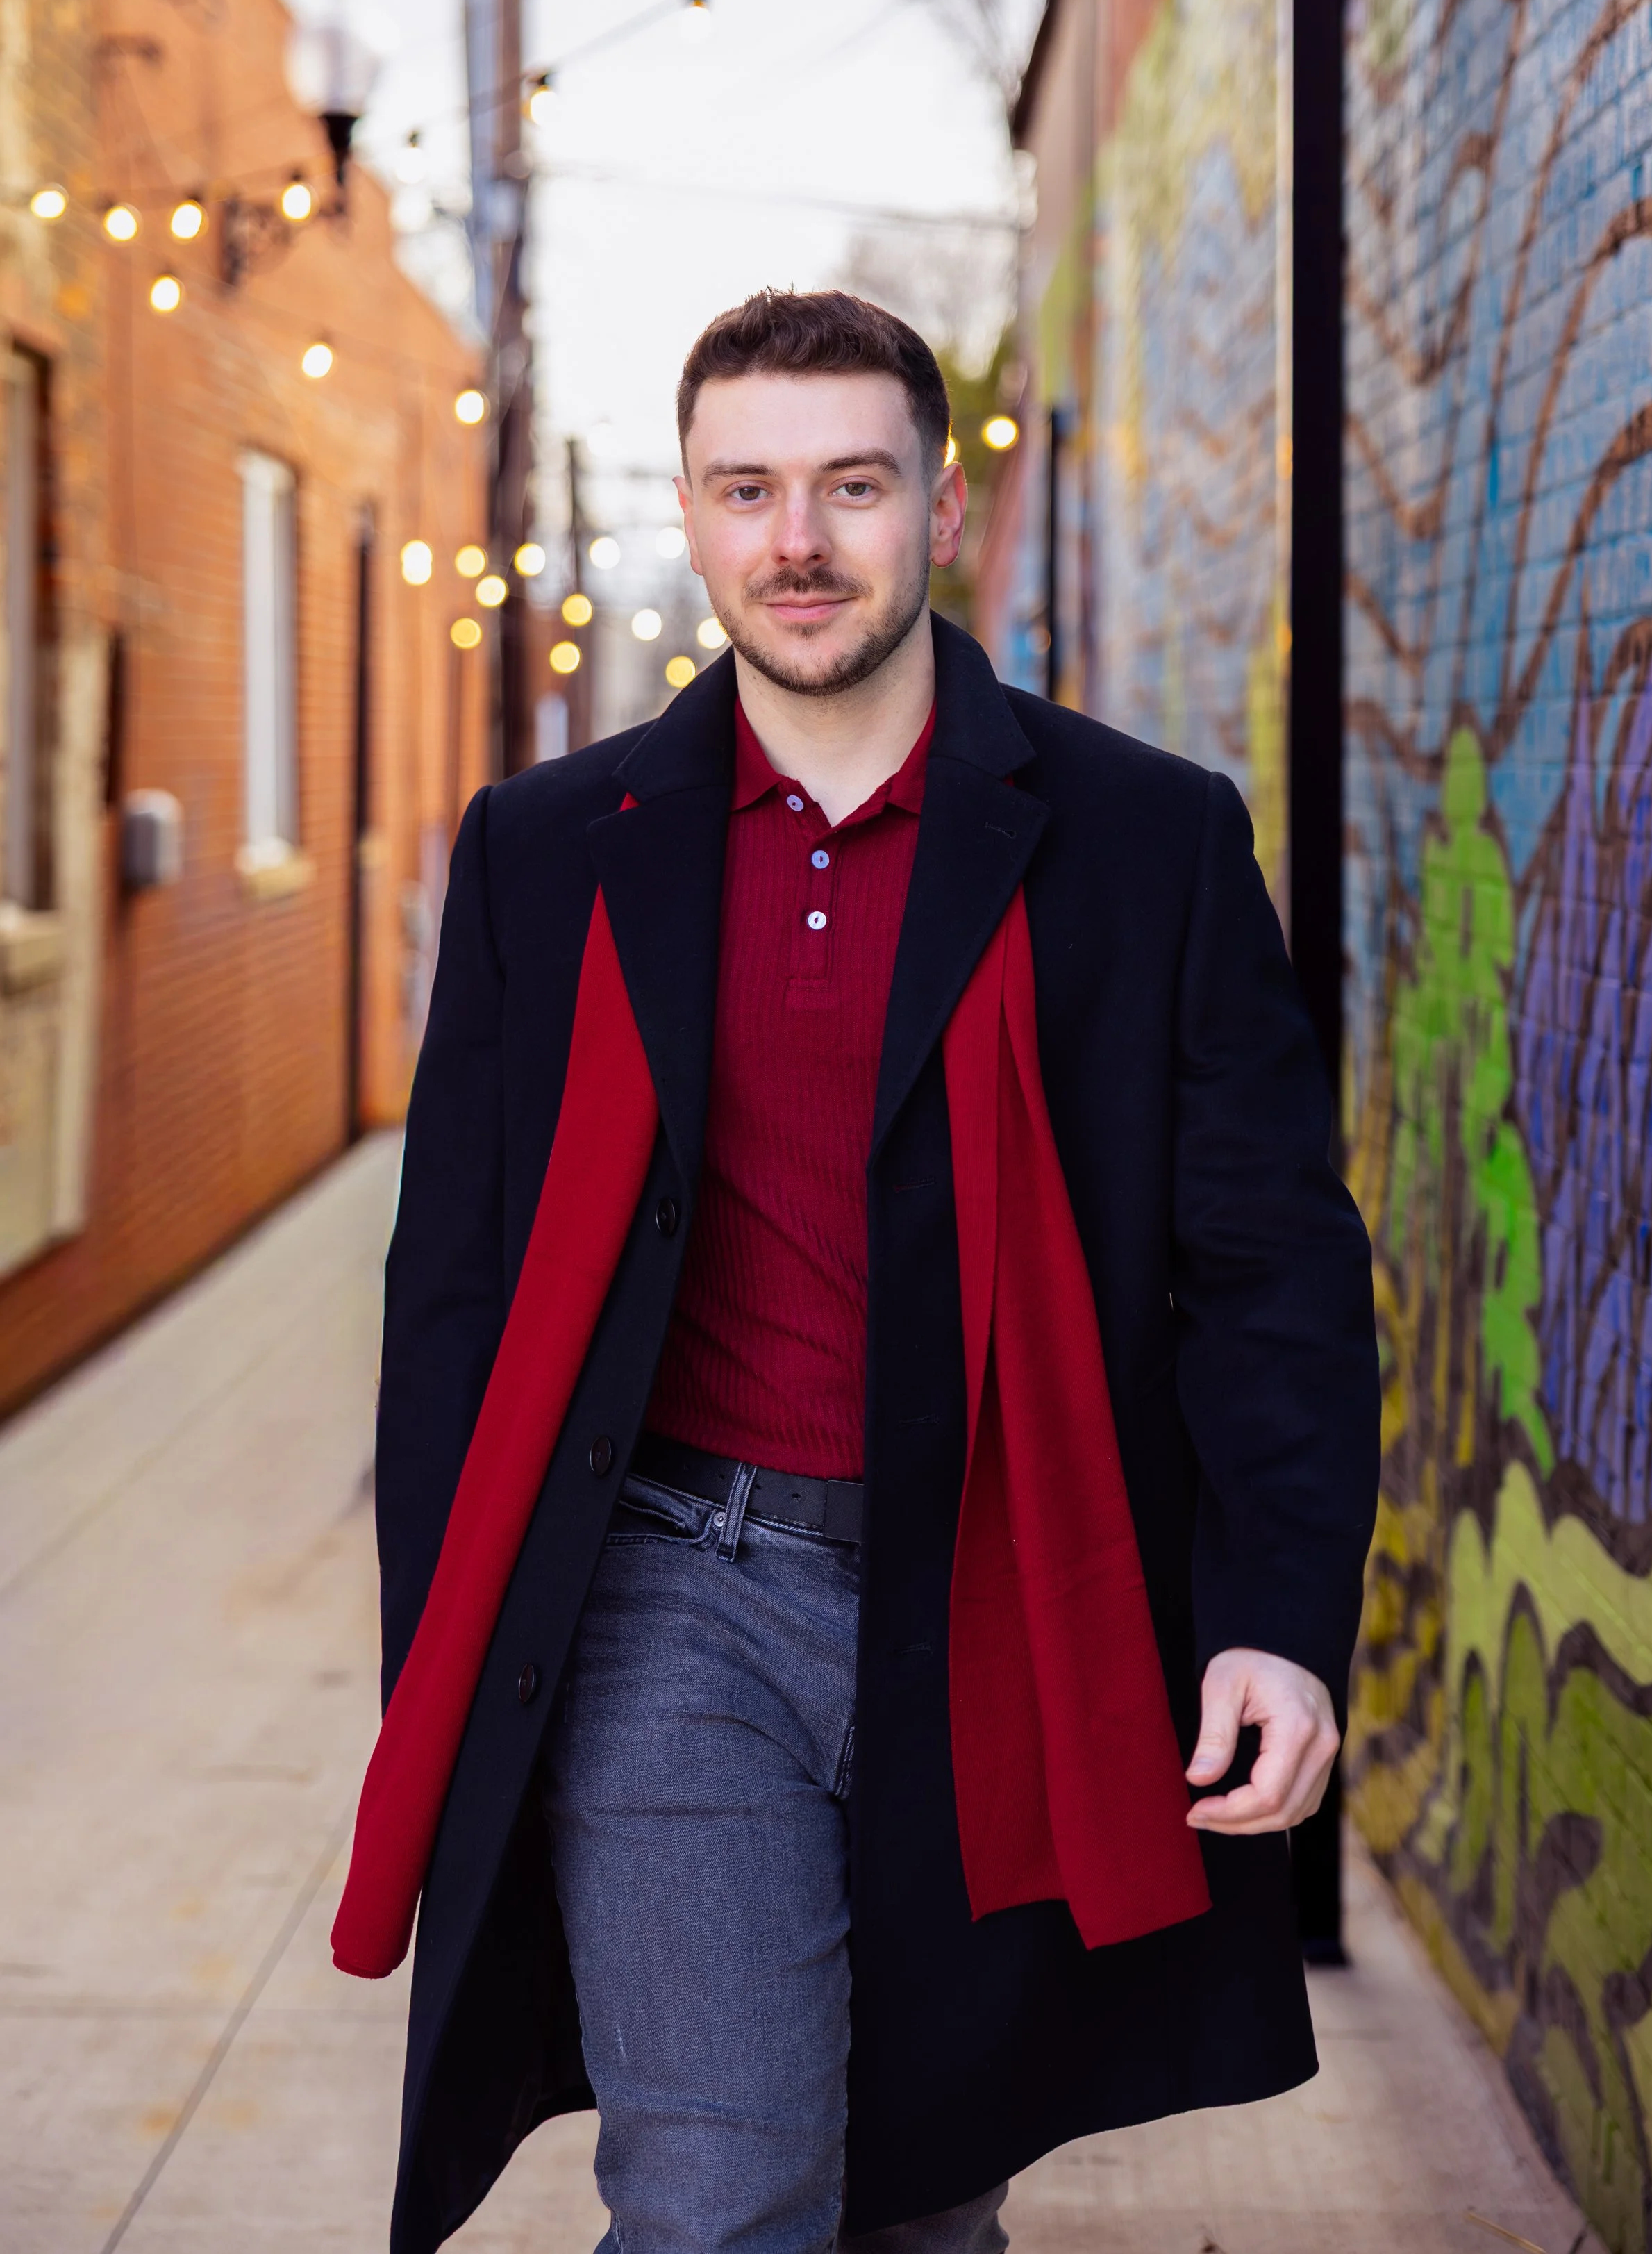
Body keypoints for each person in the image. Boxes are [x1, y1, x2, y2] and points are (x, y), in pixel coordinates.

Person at [340, 290, 1380, 2254]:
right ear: (692, 510)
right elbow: (453, 1309)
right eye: (746, 488)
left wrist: (1274, 1612)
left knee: (916, 2195)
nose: (795, 538)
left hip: (1003, 1598)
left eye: (848, 484)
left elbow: (1265, 1273)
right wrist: (449, 1673)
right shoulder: (551, 851)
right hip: (670, 1598)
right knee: (724, 2186)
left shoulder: (1141, 842)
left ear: (943, 508)